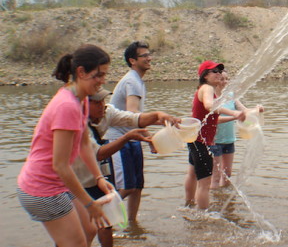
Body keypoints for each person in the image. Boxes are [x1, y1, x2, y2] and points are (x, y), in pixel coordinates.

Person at [16, 44, 114, 247]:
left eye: (104, 75)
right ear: (81, 72)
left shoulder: (81, 99)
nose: (102, 81)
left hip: (56, 185)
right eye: (98, 75)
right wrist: (89, 203)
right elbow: (60, 165)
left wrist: (98, 178)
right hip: (41, 189)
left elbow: (84, 143)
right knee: (76, 243)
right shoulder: (67, 106)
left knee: (90, 229)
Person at [73, 87, 180, 247]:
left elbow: (135, 119)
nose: (102, 105)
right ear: (84, 105)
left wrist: (160, 115)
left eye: (102, 100)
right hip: (75, 179)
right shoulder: (77, 123)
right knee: (81, 232)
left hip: (97, 175)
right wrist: (127, 137)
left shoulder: (107, 112)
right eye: (96, 102)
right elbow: (99, 154)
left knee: (105, 220)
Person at [183, 60, 246, 209]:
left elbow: (213, 118)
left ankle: (188, 204)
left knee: (192, 174)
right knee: (205, 183)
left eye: (219, 71)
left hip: (195, 139)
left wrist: (234, 116)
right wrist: (233, 112)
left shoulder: (203, 89)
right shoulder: (207, 89)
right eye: (214, 71)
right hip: (202, 142)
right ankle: (204, 216)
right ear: (205, 75)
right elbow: (209, 106)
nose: (218, 74)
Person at [103, 40, 152, 223]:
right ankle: (100, 219)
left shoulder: (137, 79)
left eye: (149, 54)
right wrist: (150, 136)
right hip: (119, 139)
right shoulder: (132, 80)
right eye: (144, 55)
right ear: (133, 60)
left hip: (132, 138)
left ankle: (132, 225)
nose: (149, 58)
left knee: (137, 186)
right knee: (126, 188)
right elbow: (133, 112)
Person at [210, 71, 264, 189]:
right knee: (216, 176)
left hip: (229, 140)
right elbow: (215, 120)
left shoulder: (231, 96)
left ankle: (223, 198)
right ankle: (213, 204)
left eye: (226, 79)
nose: (225, 82)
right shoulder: (210, 99)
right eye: (222, 79)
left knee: (227, 174)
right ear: (215, 80)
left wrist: (256, 110)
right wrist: (235, 116)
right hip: (214, 141)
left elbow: (244, 111)